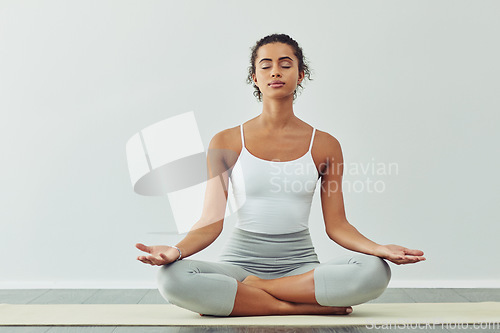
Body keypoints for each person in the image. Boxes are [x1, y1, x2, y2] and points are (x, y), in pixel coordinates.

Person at [135, 33, 426, 317]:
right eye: (266, 66)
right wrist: (175, 251)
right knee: (171, 278)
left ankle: (256, 292)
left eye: (286, 64)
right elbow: (210, 223)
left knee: (375, 271)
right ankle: (294, 306)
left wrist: (379, 249)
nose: (276, 71)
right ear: (254, 77)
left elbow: (337, 225)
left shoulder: (325, 145)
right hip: (239, 263)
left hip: (301, 266)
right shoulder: (226, 140)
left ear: (301, 75)